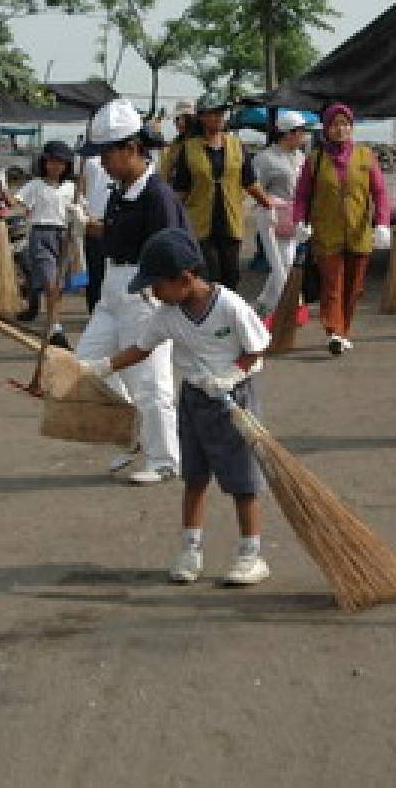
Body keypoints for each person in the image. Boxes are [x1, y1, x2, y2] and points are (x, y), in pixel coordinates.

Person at [81, 228, 272, 585]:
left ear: (184, 278)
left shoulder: (229, 305)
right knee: (195, 479)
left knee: (243, 483)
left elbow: (258, 345)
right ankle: (190, 549)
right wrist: (102, 367)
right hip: (195, 401)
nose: (151, 292)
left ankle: (251, 555)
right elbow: (140, 348)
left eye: (156, 284)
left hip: (234, 401)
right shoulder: (166, 314)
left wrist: (231, 374)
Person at [75, 99, 183, 486]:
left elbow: (173, 246)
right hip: (112, 286)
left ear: (131, 149)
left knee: (150, 380)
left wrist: (162, 295)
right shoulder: (122, 190)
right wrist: (93, 227)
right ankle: (132, 432)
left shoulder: (158, 195)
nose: (101, 162)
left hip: (145, 290)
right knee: (86, 366)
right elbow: (120, 234)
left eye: (106, 154)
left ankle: (165, 458)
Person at [292, 102, 391, 356]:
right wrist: (299, 221)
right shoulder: (315, 159)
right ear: (326, 128)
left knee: (354, 287)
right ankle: (333, 332)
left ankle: (343, 330)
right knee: (332, 284)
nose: (341, 129)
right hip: (326, 233)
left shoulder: (365, 155)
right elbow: (302, 195)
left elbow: (379, 192)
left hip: (359, 233)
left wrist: (381, 223)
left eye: (345, 124)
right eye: (335, 125)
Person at [171, 92, 275, 291]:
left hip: (230, 222)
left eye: (220, 113)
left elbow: (249, 182)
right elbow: (180, 190)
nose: (217, 118)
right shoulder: (189, 149)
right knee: (210, 276)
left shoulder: (237, 146)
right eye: (212, 113)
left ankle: (229, 319)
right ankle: (210, 320)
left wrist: (269, 203)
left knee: (231, 277)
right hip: (201, 225)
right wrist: (172, 220)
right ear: (201, 117)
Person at [11, 140, 77, 347]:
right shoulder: (35, 185)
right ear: (45, 163)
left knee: (58, 287)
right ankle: (56, 329)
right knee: (50, 284)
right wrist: (3, 191)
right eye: (51, 161)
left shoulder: (71, 188)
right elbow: (15, 201)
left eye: (60, 162)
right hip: (41, 235)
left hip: (64, 237)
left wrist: (80, 216)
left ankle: (51, 324)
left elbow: (80, 210)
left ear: (66, 165)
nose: (55, 166)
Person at [252, 110, 309, 320]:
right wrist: (268, 204)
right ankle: (286, 309)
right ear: (288, 133)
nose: (304, 136)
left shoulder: (301, 157)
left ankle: (263, 305)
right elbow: (254, 187)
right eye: (301, 132)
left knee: (286, 260)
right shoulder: (265, 158)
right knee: (279, 263)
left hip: (292, 217)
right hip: (270, 216)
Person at [78, 153, 113, 312]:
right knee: (95, 271)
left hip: (116, 218)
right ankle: (94, 311)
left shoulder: (119, 150)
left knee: (115, 271)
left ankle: (111, 310)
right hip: (93, 219)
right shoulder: (86, 156)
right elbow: (81, 187)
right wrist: (83, 210)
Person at [158, 98, 195, 184]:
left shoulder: (202, 142)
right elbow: (165, 173)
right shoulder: (174, 145)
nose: (178, 123)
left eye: (180, 119)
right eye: (176, 119)